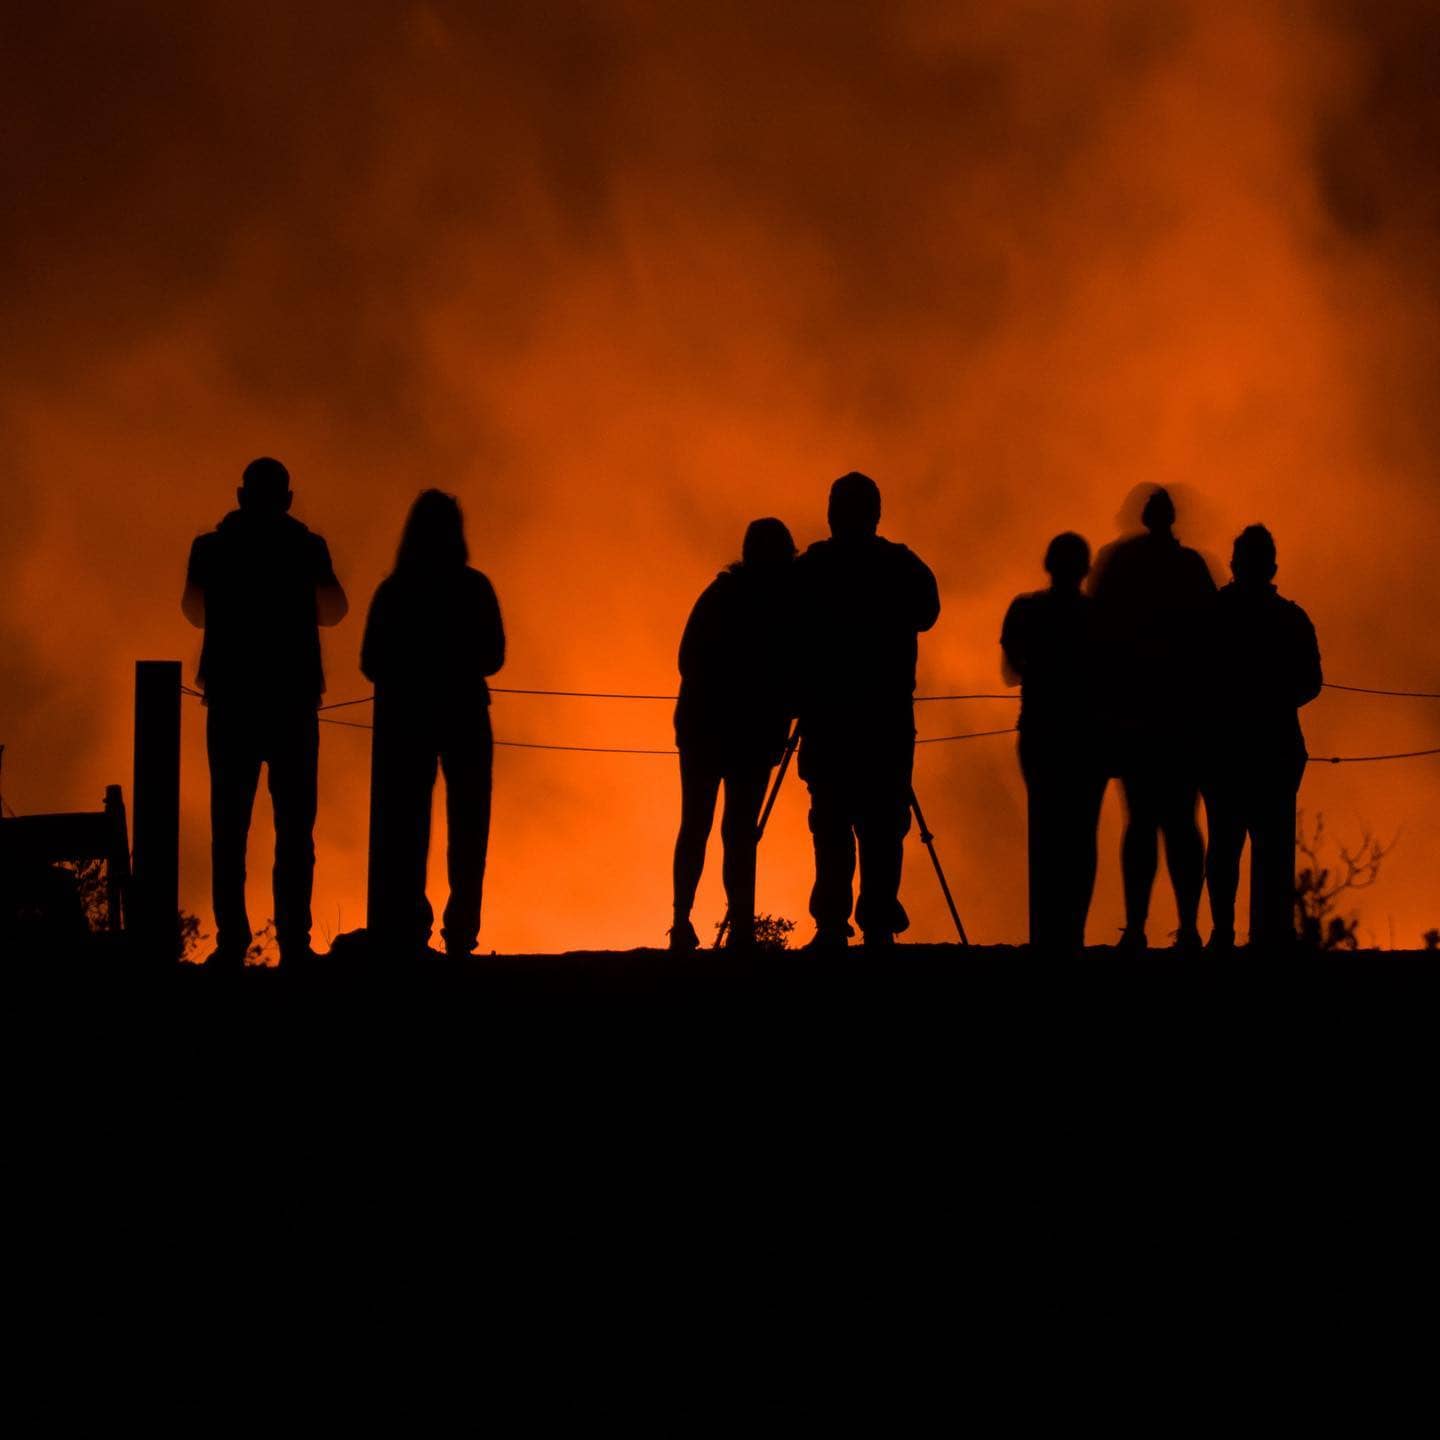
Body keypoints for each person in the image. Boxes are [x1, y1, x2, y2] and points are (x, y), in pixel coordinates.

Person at [183, 456, 348, 968]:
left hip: (232, 699)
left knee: (229, 829)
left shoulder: (210, 548)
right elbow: (336, 612)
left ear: (240, 496)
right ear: (288, 500)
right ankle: (295, 943)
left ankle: (233, 942)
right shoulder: (307, 547)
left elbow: (193, 612)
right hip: (292, 700)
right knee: (295, 828)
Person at [796, 472, 940, 948]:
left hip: (832, 720)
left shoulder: (814, 566)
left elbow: (786, 630)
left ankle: (835, 924)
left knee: (834, 824)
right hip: (884, 721)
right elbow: (927, 613)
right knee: (879, 825)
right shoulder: (900, 565)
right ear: (875, 514)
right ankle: (875, 922)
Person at [360, 490, 505, 959]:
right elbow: (494, 656)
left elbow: (371, 660)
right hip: (464, 713)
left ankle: (412, 930)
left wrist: (412, 673)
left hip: (408, 718)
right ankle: (461, 931)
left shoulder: (395, 590)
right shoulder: (474, 587)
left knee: (408, 826)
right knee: (468, 828)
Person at [1089, 486, 1216, 951]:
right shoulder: (1191, 569)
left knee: (1142, 822)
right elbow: (1211, 640)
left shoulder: (1118, 563)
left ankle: (1139, 926)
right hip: (1180, 717)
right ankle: (1188, 926)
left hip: (1135, 715)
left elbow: (1096, 633)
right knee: (1180, 823)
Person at [670, 518, 797, 951]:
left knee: (707, 825)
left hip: (713, 729)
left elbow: (687, 660)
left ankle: (690, 921)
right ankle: (731, 926)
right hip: (735, 733)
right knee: (731, 829)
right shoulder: (775, 607)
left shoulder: (723, 596)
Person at [1202, 525, 1322, 950]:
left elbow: (1194, 677)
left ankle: (1225, 932)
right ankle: (1267, 935)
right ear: (1272, 567)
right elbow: (1311, 682)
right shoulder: (1289, 617)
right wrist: (1274, 696)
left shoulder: (1215, 615)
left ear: (1236, 565)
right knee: (1266, 848)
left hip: (1228, 750)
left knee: (1226, 847)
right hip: (1271, 748)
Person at [1001, 532, 1106, 954]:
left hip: (1042, 733)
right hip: (1087, 737)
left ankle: (1045, 935)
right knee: (1081, 837)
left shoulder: (1026, 610)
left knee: (1046, 831)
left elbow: (1012, 670)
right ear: (1085, 569)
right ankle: (1073, 933)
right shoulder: (1099, 615)